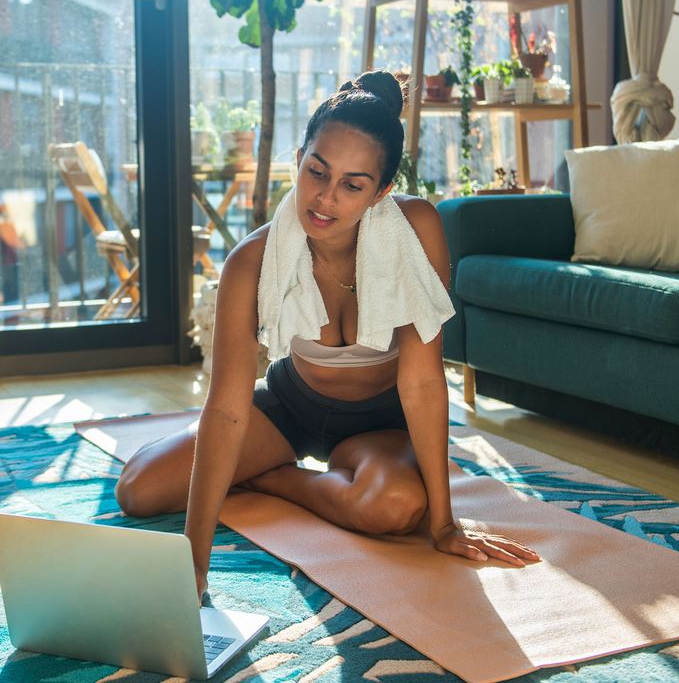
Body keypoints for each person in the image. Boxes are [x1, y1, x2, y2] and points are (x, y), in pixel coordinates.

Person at [114, 71, 540, 601]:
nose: (324, 198)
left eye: (352, 185)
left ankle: (271, 478)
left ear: (382, 191)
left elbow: (423, 383)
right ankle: (262, 464)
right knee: (138, 489)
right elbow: (226, 407)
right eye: (317, 171)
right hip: (292, 404)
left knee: (396, 509)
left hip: (380, 421)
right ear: (298, 159)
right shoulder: (252, 259)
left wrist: (445, 525)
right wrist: (193, 561)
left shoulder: (417, 230)